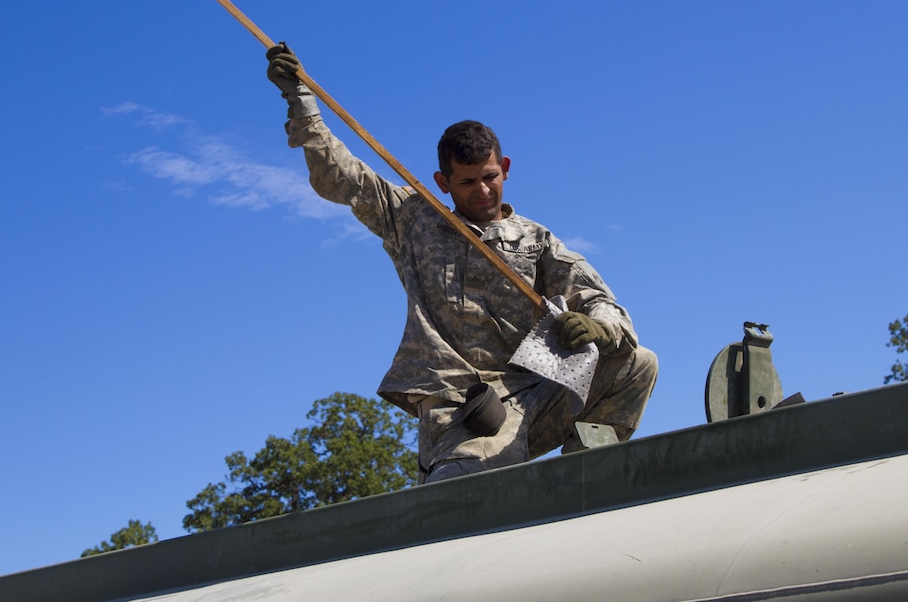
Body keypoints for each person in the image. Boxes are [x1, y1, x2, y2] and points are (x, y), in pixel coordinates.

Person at [266, 43, 657, 483]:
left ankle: (583, 477)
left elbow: (594, 295)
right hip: (462, 404)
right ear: (442, 183)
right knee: (457, 496)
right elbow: (340, 176)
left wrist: (600, 327)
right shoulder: (412, 220)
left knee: (637, 362)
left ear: (505, 168)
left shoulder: (537, 240)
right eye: (467, 182)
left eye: (490, 177)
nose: (483, 190)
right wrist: (301, 99)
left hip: (537, 390)